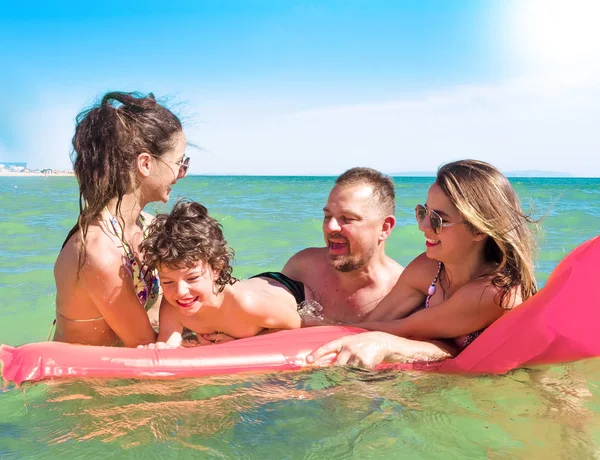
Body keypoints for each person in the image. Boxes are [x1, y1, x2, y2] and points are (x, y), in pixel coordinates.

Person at [308, 159, 538, 367]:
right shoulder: (429, 267)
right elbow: (375, 322)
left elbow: (406, 330)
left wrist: (312, 328)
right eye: (423, 212)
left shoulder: (496, 293)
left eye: (439, 220)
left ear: (478, 229)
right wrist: (306, 333)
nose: (423, 226)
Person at [52, 91, 189, 347]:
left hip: (122, 374)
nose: (182, 173)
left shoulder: (146, 226)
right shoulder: (99, 251)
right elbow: (145, 346)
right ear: (145, 164)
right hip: (84, 384)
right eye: (180, 162)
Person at [139, 200, 305, 348]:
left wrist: (243, 344)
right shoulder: (175, 304)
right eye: (168, 282)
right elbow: (168, 342)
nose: (180, 291)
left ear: (217, 269)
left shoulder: (247, 305)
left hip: (289, 290)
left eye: (192, 278)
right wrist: (158, 349)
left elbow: (299, 326)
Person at [282, 167, 404, 323]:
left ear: (384, 228)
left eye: (347, 218)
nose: (330, 227)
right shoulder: (303, 269)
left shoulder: (399, 294)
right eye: (327, 216)